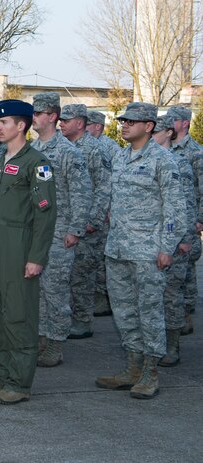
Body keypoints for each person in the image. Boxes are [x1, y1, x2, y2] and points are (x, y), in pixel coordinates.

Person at [96, 102, 185, 399]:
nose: (124, 125)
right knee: (123, 310)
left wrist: (166, 247)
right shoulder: (121, 157)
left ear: (148, 126)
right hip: (119, 248)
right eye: (123, 121)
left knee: (149, 311)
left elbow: (175, 208)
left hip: (148, 251)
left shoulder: (163, 160)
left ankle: (150, 372)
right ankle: (133, 366)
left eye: (131, 121)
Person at [0, 99, 56, 405]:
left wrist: (36, 257)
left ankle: (19, 381)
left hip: (20, 249)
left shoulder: (37, 163)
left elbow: (45, 214)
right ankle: (1, 374)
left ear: (21, 125)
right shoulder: (0, 160)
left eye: (3, 122)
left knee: (19, 316)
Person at [33, 99, 92, 367]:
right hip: (35, 231)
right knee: (37, 290)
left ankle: (55, 344)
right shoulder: (32, 149)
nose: (33, 117)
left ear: (52, 117)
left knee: (54, 290)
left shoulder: (68, 152)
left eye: (38, 113)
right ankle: (41, 338)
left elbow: (81, 193)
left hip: (59, 233)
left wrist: (75, 229)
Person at [60, 104, 110, 340]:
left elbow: (104, 187)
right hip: (67, 221)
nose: (61, 123)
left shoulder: (93, 149)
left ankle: (82, 321)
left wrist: (93, 220)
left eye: (66, 120)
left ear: (79, 123)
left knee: (81, 275)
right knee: (67, 274)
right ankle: (70, 317)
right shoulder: (64, 146)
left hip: (87, 226)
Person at [152, 114, 195, 367]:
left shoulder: (179, 162)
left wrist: (185, 239)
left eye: (156, 132)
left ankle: (172, 344)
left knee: (170, 296)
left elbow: (186, 205)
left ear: (168, 133)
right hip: (148, 239)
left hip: (174, 239)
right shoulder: (142, 159)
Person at [167, 105, 203, 336]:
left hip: (190, 217)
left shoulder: (195, 152)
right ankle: (177, 314)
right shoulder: (165, 148)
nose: (169, 124)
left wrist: (200, 218)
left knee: (187, 267)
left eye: (173, 120)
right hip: (173, 217)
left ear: (184, 124)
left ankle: (185, 314)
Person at [84, 109, 119, 318]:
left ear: (98, 126)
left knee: (101, 258)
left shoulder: (109, 148)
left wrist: (108, 210)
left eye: (89, 124)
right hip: (91, 211)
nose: (86, 127)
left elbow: (111, 182)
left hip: (104, 212)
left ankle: (102, 298)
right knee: (91, 259)